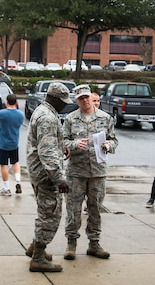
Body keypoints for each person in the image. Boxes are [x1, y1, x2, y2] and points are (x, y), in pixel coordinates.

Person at [62, 84, 118, 261]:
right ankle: (71, 243)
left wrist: (109, 146)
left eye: (86, 97)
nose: (84, 100)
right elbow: (63, 140)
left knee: (95, 209)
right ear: (76, 100)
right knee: (73, 209)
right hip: (76, 172)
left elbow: (113, 139)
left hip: (97, 172)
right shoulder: (70, 119)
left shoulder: (105, 118)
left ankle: (94, 243)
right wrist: (73, 145)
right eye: (80, 98)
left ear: (91, 97)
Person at [26, 82, 71, 273]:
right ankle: (38, 257)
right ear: (53, 98)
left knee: (44, 211)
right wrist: (59, 178)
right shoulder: (47, 117)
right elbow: (47, 152)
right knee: (50, 214)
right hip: (46, 175)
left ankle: (35, 247)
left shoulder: (44, 111)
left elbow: (48, 144)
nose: (65, 105)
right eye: (62, 101)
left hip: (39, 171)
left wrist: (61, 146)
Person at [0, 94, 24, 196]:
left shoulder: (1, 113)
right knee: (15, 162)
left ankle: (6, 188)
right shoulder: (20, 115)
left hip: (3, 143)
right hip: (14, 143)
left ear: (6, 102)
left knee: (4, 165)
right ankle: (18, 180)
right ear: (16, 102)